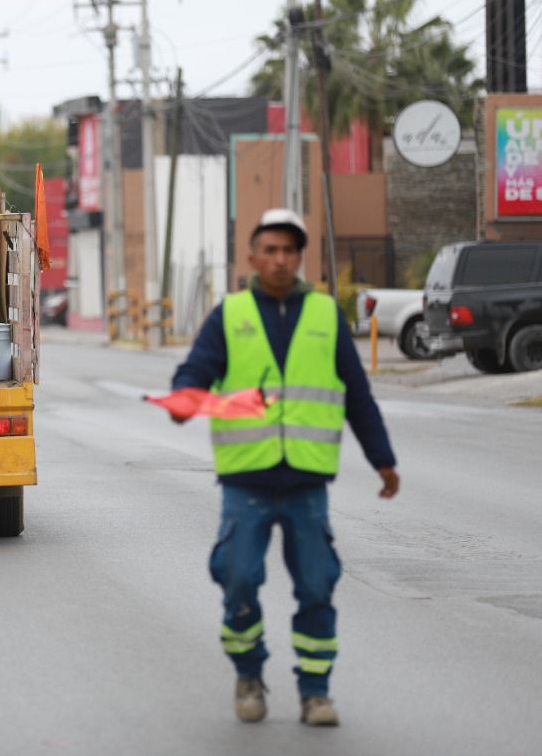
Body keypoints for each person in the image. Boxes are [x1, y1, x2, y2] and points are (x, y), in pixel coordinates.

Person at [166, 208, 399, 728]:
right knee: (239, 581)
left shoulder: (323, 315)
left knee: (317, 586)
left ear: (300, 259)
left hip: (306, 484)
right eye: (269, 250)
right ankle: (249, 674)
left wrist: (383, 460)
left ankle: (316, 692)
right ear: (253, 258)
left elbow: (356, 395)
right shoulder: (230, 315)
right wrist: (186, 398)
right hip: (246, 481)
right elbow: (197, 370)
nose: (279, 259)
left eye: (289, 251)